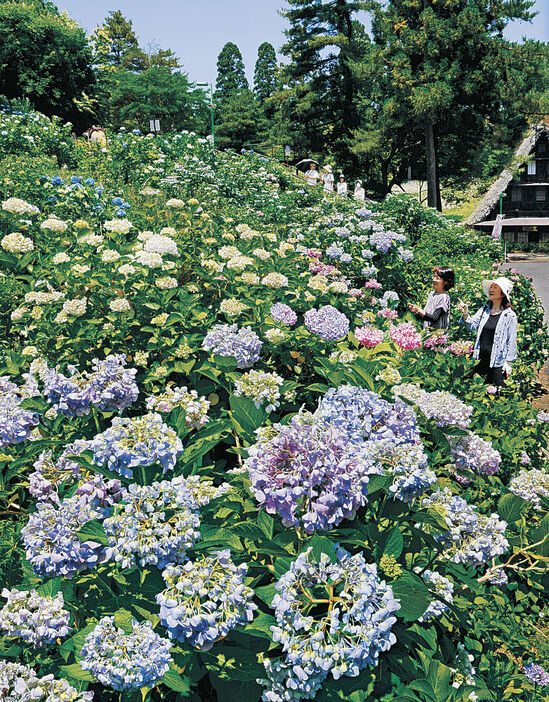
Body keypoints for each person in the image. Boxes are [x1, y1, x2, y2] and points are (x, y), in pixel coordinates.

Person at [458, 276, 517, 387]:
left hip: (496, 361)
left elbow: (512, 340)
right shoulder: (484, 310)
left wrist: (508, 363)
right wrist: (465, 313)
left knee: (497, 392)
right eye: (491, 287)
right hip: (479, 358)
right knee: (472, 389)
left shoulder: (510, 316)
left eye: (495, 287)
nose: (491, 289)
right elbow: (471, 326)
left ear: (503, 294)